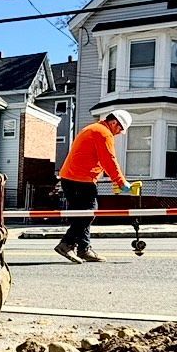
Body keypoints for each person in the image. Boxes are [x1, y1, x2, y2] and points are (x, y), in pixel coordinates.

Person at [55, 109, 133, 263]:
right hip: (80, 180)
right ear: (113, 122)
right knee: (88, 213)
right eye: (120, 129)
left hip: (70, 178)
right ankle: (66, 244)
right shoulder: (103, 133)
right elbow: (109, 160)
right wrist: (121, 182)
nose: (119, 133)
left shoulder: (92, 129)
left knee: (82, 215)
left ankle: (84, 249)